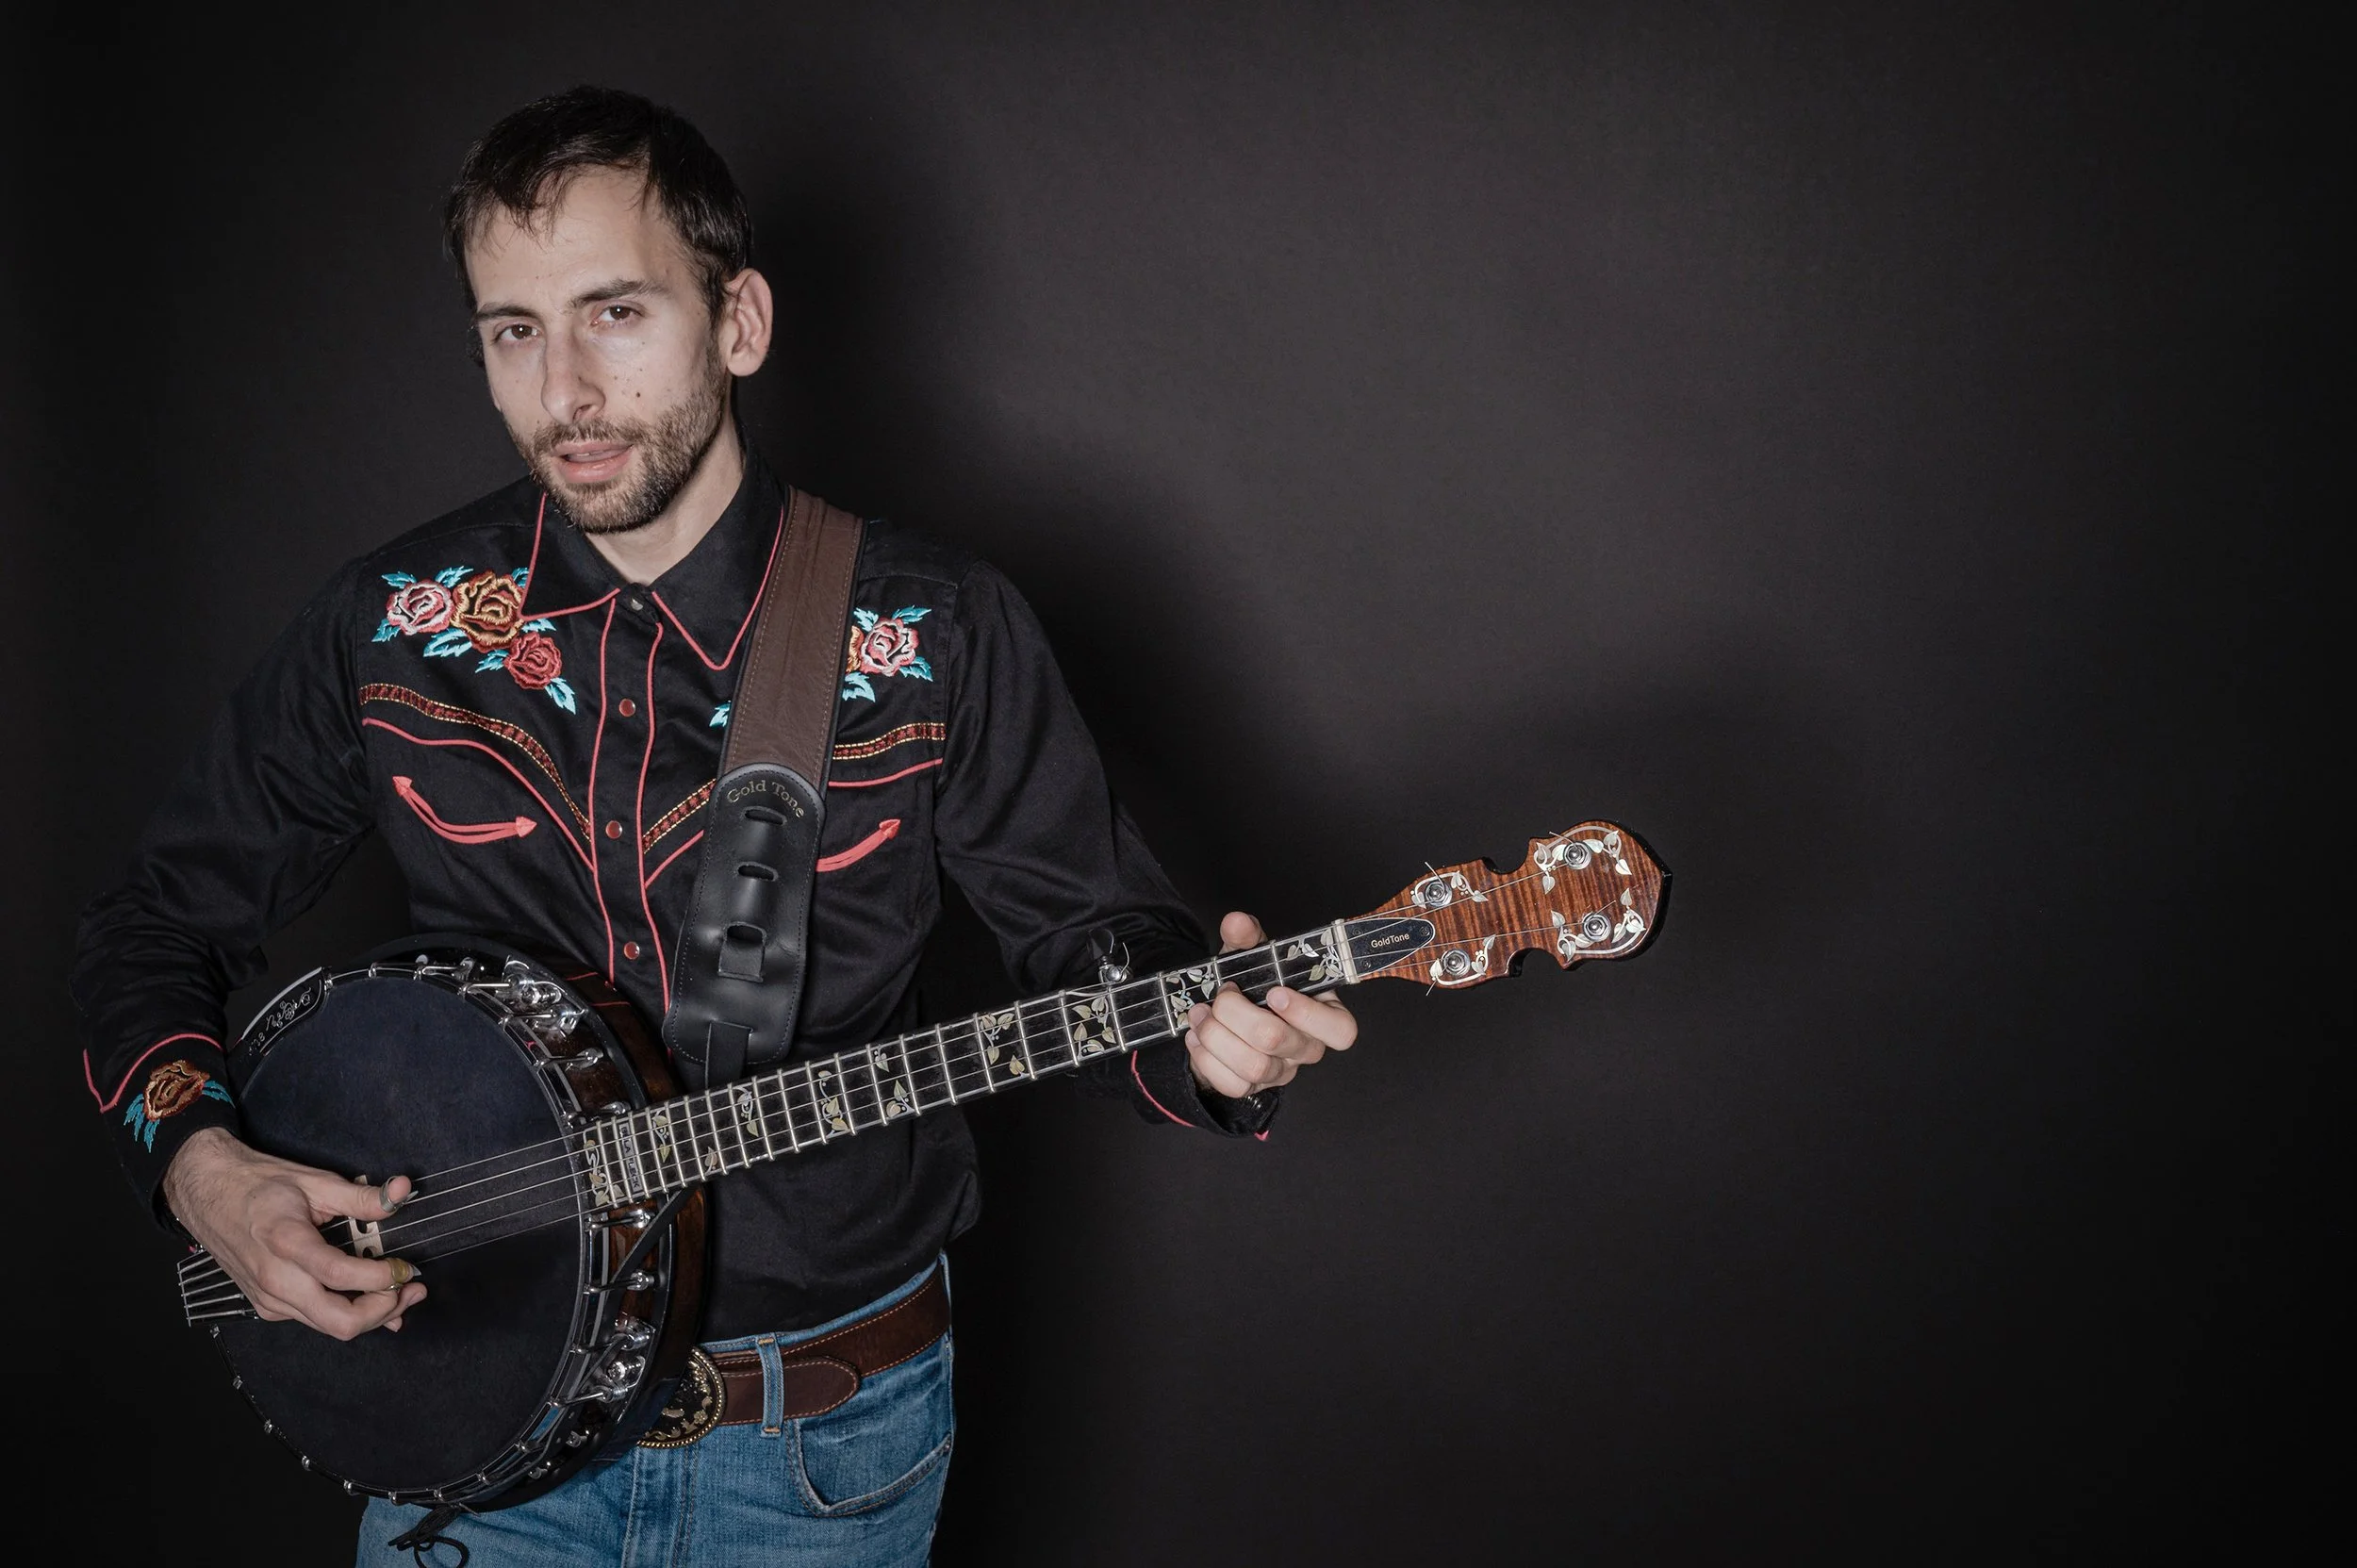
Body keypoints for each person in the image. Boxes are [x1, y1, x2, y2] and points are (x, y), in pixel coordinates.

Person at [72, 85, 1358, 1566]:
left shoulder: (932, 632)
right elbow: (149, 924)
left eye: (615, 313)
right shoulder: (393, 629)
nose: (564, 389)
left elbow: (1096, 939)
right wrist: (199, 1167)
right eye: (512, 329)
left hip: (818, 1454)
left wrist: (1201, 1037)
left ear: (738, 322)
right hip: (467, 1440)